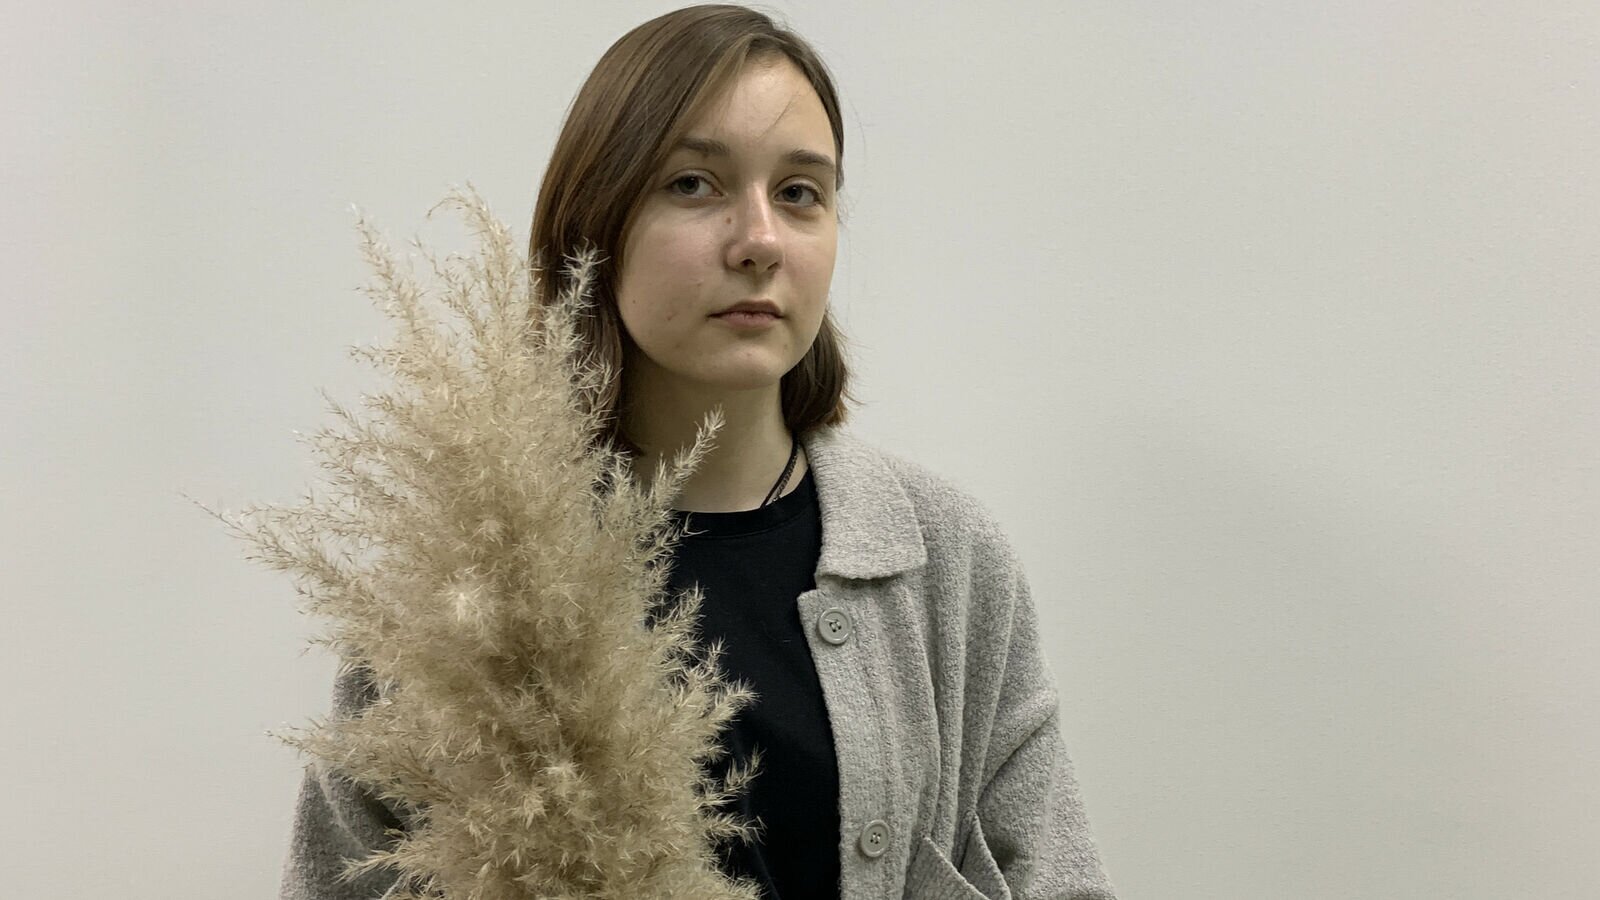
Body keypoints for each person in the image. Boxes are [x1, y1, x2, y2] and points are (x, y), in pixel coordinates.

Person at [280, 5, 1117, 899]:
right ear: (593, 225)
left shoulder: (943, 556)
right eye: (693, 183)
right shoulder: (470, 575)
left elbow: (1058, 873)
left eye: (800, 193)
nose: (759, 241)